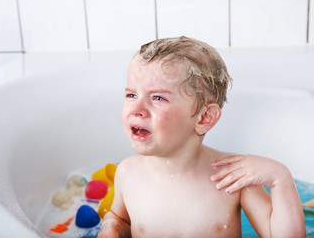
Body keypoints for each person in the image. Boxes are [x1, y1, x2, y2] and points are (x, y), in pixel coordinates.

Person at [98, 36, 305, 237]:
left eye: (158, 97)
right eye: (131, 95)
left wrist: (280, 177)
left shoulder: (234, 177)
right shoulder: (128, 173)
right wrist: (111, 225)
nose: (137, 109)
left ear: (204, 118)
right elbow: (121, 218)